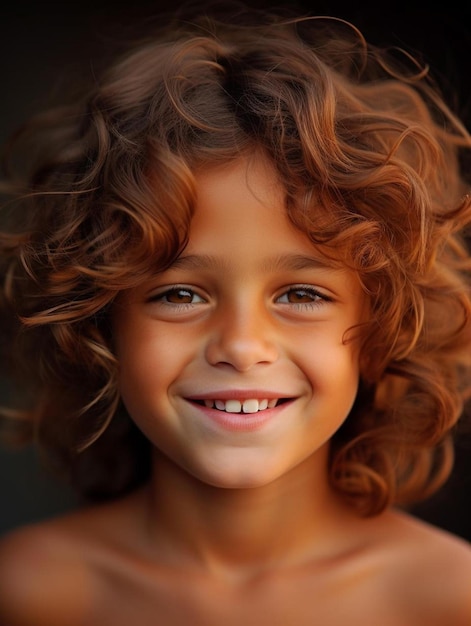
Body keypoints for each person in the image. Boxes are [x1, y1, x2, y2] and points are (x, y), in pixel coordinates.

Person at [0, 4, 471, 624]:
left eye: (301, 295)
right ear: (99, 324)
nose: (242, 346)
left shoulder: (449, 598)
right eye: (180, 294)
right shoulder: (26, 592)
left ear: (382, 326)